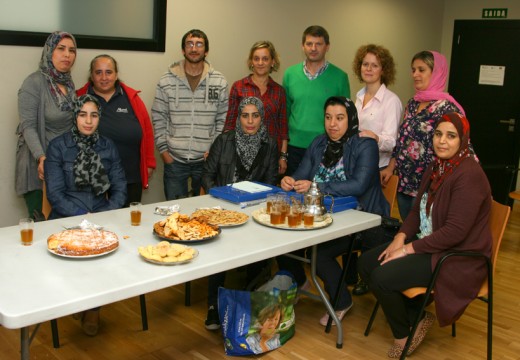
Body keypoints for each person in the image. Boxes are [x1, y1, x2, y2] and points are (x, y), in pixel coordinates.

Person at [359, 113, 491, 358]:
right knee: (366, 263)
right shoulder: (437, 166)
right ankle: (416, 315)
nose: (442, 141)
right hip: (430, 242)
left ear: (463, 140)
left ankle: (404, 335)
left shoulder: (469, 175)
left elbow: (455, 232)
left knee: (381, 277)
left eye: (451, 136)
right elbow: (417, 211)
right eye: (438, 134)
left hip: (457, 256)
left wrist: (408, 249)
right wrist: (400, 238)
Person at [277, 97, 389, 326]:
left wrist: (316, 187)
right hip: (324, 216)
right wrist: (290, 180)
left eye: (339, 118)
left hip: (365, 219)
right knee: (280, 238)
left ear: (351, 119)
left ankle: (341, 301)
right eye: (328, 118)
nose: (332, 124)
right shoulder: (319, 143)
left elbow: (358, 185)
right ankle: (301, 283)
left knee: (322, 254)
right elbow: (302, 173)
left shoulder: (364, 145)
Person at [44, 94, 127, 336]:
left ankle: (93, 308)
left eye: (94, 115)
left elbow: (120, 186)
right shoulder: (58, 146)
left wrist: (104, 216)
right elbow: (56, 194)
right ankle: (75, 298)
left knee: (105, 258)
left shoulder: (108, 146)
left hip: (102, 216)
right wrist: (83, 218)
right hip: (65, 218)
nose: (88, 121)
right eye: (83, 115)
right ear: (75, 116)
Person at [202, 97, 279, 330]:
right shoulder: (224, 140)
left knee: (258, 246)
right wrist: (223, 197)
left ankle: (248, 298)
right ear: (238, 117)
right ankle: (214, 306)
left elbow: (271, 181)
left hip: (255, 210)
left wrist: (254, 204)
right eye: (245, 115)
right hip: (224, 208)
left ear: (261, 117)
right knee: (219, 252)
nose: (250, 121)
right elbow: (206, 175)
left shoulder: (270, 144)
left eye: (255, 115)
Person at [380, 50, 465, 221]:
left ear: (436, 73)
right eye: (413, 70)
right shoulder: (412, 103)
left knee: (424, 236)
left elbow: (460, 149)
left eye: (421, 69)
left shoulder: (447, 109)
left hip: (429, 187)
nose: (415, 74)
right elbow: (402, 140)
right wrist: (390, 167)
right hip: (405, 184)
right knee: (408, 230)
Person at [152, 29, 229, 200]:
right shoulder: (167, 80)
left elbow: (222, 118)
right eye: (190, 44)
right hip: (174, 160)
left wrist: (214, 150)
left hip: (206, 161)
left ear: (206, 51)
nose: (194, 48)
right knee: (174, 212)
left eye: (199, 44)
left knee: (205, 212)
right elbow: (159, 116)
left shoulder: (219, 81)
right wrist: (164, 153)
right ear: (183, 50)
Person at [350, 44, 402, 296]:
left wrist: (374, 137)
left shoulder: (391, 101)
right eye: (365, 64)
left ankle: (367, 275)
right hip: (356, 168)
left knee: (372, 225)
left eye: (374, 65)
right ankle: (354, 271)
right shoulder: (357, 97)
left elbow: (394, 140)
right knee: (354, 221)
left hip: (378, 168)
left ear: (384, 69)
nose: (369, 69)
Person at [77, 54, 156, 206]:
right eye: (98, 72)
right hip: (92, 177)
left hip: (130, 176)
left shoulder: (131, 98)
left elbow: (146, 131)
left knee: (127, 222)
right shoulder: (80, 98)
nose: (104, 77)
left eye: (109, 72)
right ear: (91, 76)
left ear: (116, 74)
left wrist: (149, 163)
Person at [15, 31, 77, 219]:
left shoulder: (69, 84)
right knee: (42, 226)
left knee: (64, 227)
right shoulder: (33, 82)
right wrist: (42, 158)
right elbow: (28, 126)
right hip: (39, 167)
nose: (67, 54)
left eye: (72, 50)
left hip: (64, 165)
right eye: (61, 48)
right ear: (49, 51)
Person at [283, 25, 350, 175]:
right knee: (293, 192)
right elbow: (285, 113)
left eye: (318, 44)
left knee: (319, 194)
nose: (313, 48)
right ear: (303, 46)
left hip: (325, 147)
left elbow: (346, 117)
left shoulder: (340, 77)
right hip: (294, 146)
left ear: (327, 47)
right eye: (309, 44)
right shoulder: (290, 74)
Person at [222, 41, 288, 174]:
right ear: (251, 62)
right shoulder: (239, 87)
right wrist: (224, 151)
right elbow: (230, 124)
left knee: (268, 193)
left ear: (272, 62)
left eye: (265, 59)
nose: (260, 63)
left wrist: (283, 156)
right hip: (241, 154)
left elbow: (283, 128)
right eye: (256, 58)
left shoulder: (279, 91)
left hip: (270, 155)